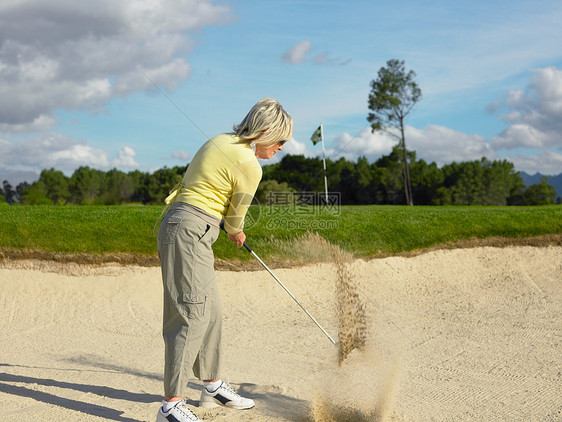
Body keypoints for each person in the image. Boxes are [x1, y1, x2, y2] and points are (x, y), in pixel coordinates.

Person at [155, 98, 293, 422]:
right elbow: (235, 220)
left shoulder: (219, 140)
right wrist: (235, 232)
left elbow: (208, 189)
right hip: (189, 230)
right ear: (266, 132)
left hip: (185, 227)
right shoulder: (250, 165)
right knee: (192, 315)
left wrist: (227, 226)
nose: (281, 148)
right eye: (281, 140)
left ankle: (211, 385)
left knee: (210, 310)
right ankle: (170, 406)